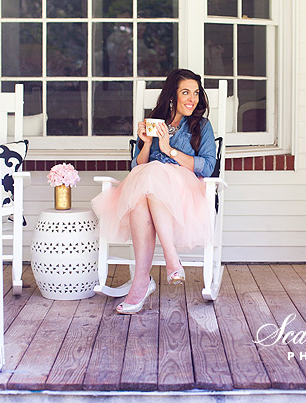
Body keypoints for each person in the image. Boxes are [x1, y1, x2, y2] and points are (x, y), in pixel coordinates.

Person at [91, 68, 217, 314]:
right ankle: (152, 275)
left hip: (184, 192)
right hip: (149, 191)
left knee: (152, 175)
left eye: (196, 93)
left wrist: (169, 150)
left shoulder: (202, 126)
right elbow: (137, 166)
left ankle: (153, 272)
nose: (192, 99)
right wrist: (147, 144)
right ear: (172, 96)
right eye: (185, 92)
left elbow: (208, 166)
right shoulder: (155, 122)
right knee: (141, 192)